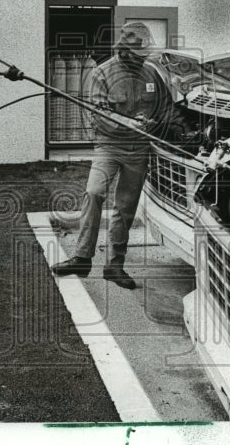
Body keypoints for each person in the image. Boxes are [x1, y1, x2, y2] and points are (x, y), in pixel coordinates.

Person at [51, 22, 175, 290]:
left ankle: (114, 266)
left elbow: (166, 109)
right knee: (94, 193)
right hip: (109, 146)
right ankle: (82, 258)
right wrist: (129, 122)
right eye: (137, 54)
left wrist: (152, 123)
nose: (141, 59)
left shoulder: (152, 74)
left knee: (125, 207)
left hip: (139, 149)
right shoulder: (102, 73)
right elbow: (97, 113)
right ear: (124, 50)